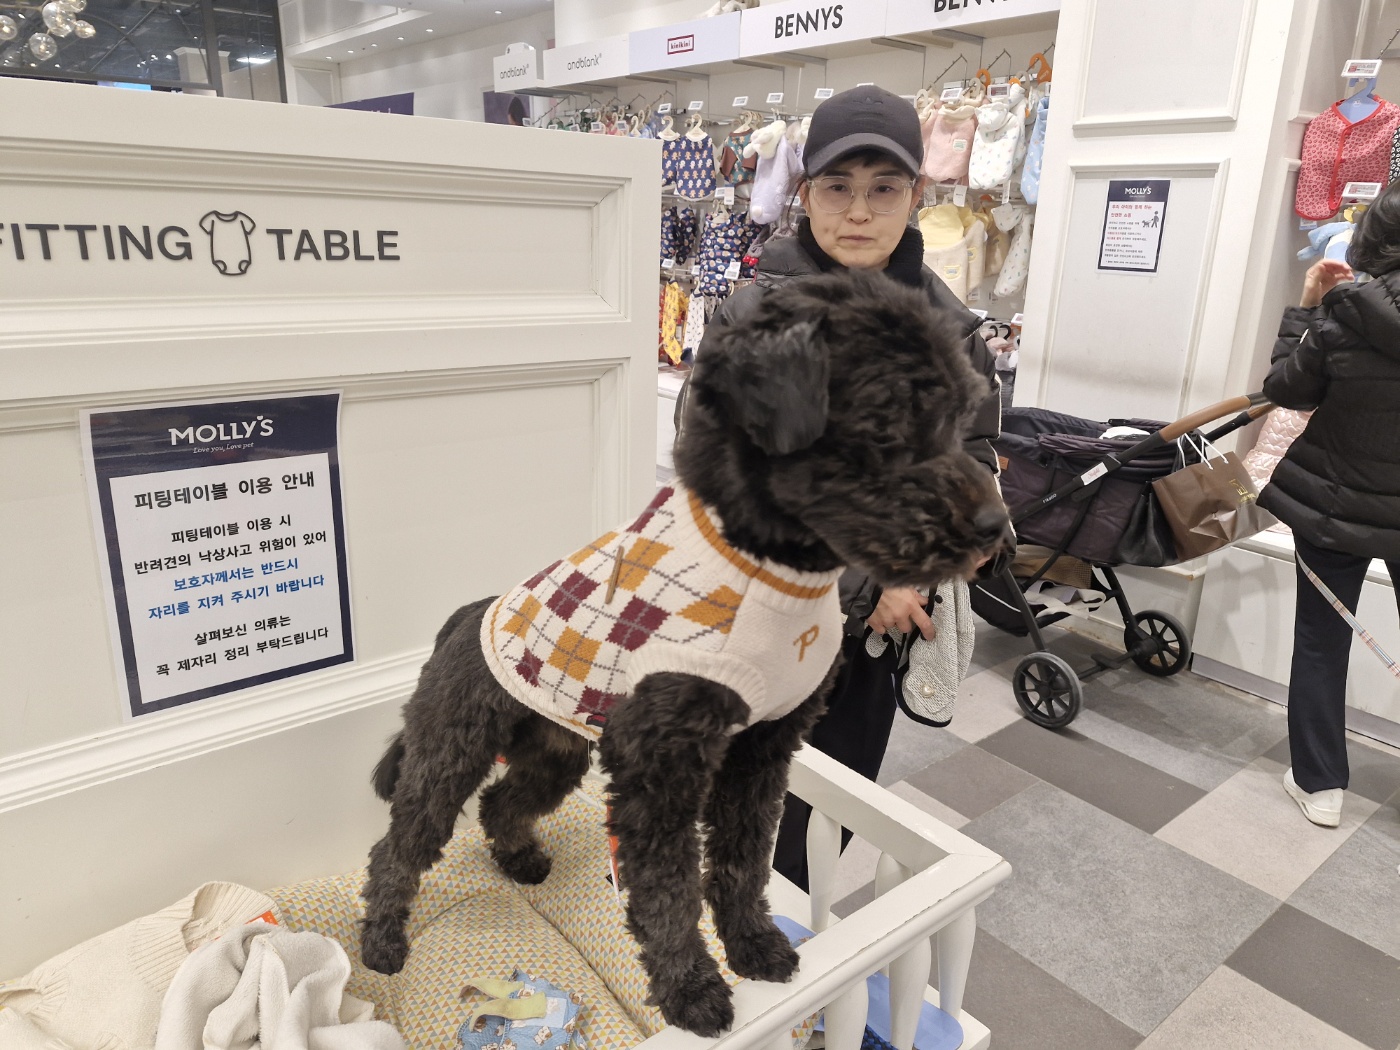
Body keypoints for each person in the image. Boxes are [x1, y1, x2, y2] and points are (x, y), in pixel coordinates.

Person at [690, 85, 1004, 887]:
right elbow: (725, 475)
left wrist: (907, 576)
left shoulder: (955, 330)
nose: (858, 212)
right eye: (838, 187)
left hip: (870, 635)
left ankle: (792, 960)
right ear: (805, 195)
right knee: (725, 793)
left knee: (827, 802)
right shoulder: (754, 317)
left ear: (915, 197)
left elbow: (975, 464)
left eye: (883, 189)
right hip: (753, 611)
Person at [1259, 183, 1400, 828]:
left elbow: (1285, 389)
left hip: (1333, 504)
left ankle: (1319, 786)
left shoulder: (1343, 315)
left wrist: (1305, 308)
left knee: (1321, 641)